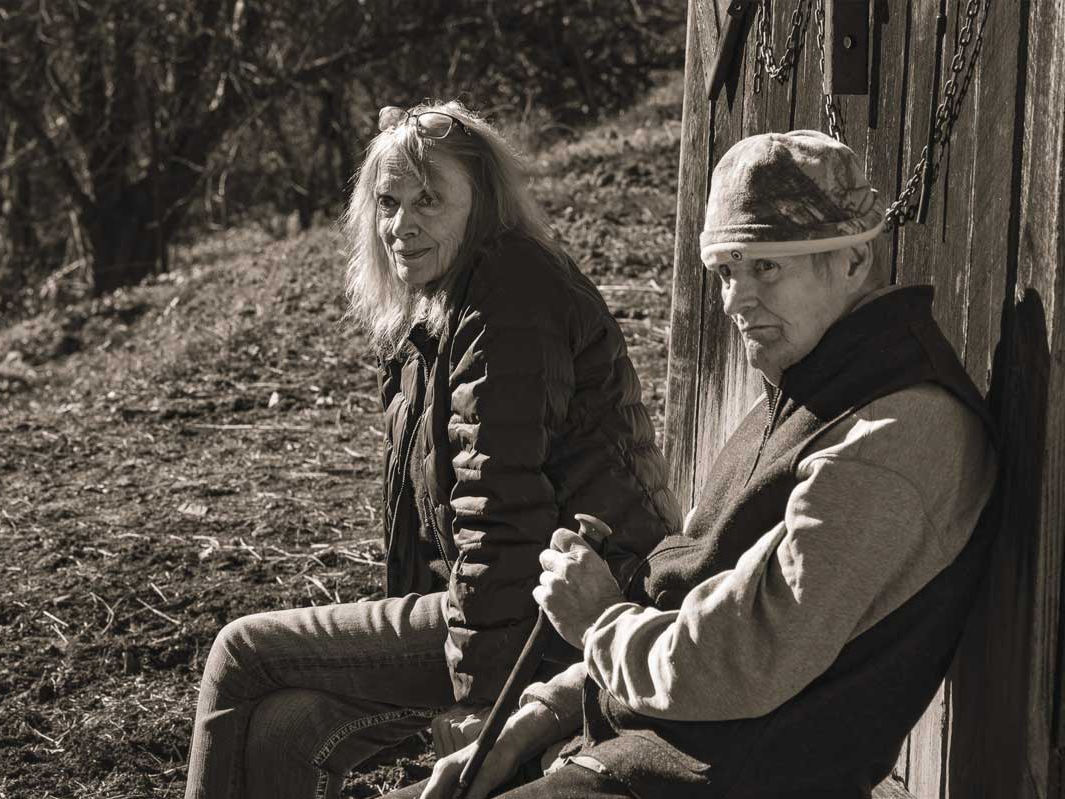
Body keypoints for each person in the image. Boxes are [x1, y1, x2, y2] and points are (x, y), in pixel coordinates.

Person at [394, 130, 999, 799]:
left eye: (767, 267)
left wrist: (600, 622)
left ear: (854, 261)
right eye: (725, 272)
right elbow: (681, 602)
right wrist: (528, 721)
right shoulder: (808, 390)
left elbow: (749, 655)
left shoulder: (894, 432)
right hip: (642, 752)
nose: (737, 302)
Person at [182, 101, 682, 799]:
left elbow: (499, 510)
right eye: (387, 201)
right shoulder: (445, 301)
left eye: (429, 198)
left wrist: (485, 703)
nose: (401, 223)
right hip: (495, 608)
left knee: (239, 651)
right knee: (285, 726)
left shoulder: (509, 293)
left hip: (560, 615)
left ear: (483, 201)